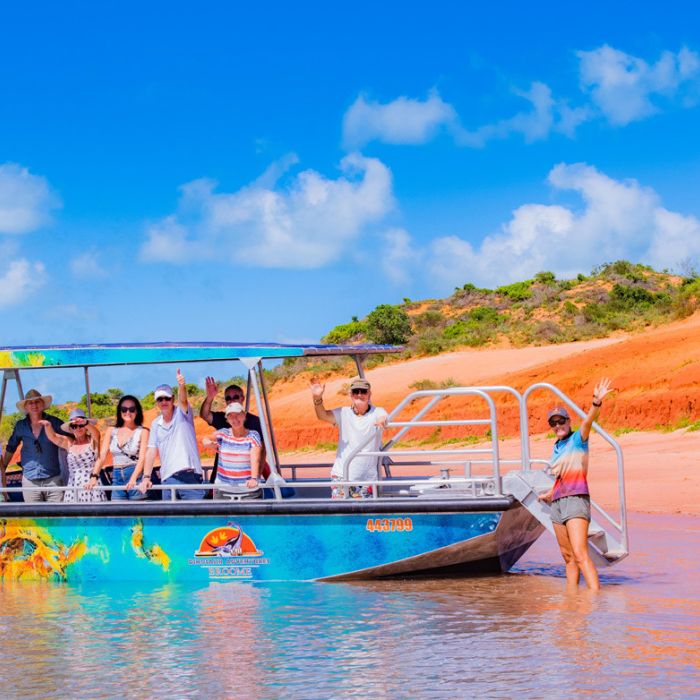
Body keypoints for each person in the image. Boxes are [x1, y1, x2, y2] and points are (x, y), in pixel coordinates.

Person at [538, 378, 613, 591]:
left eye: (561, 421)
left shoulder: (578, 440)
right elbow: (561, 477)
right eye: (553, 423)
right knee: (567, 556)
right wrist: (548, 494)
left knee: (580, 554)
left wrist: (596, 403)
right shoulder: (557, 447)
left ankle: (594, 599)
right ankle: (572, 599)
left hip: (576, 500)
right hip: (558, 503)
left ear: (569, 422)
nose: (558, 425)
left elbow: (589, 421)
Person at [309, 377, 388, 499]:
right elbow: (322, 415)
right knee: (342, 516)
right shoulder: (343, 413)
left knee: (364, 516)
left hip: (367, 480)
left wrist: (382, 420)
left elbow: (383, 417)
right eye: (356, 391)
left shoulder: (377, 411)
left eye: (363, 391)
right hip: (341, 477)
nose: (359, 395)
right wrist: (317, 398)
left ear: (369, 394)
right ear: (351, 394)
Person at [139, 369, 205, 500]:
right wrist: (146, 477)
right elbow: (151, 451)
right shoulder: (155, 424)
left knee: (195, 519)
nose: (164, 402)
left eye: (167, 398)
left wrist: (181, 386)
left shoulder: (182, 414)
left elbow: (184, 401)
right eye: (160, 399)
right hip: (168, 478)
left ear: (173, 399)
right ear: (156, 402)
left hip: (189, 477)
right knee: (171, 519)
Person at [0, 388, 68, 503]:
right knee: (35, 519)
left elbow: (71, 440)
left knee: (57, 518)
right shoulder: (20, 426)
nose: (34, 405)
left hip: (53, 479)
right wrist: (3, 468)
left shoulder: (54, 422)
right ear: (26, 407)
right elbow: (11, 447)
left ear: (42, 404)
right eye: (30, 403)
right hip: (30, 481)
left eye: (37, 401)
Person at [199, 377, 269, 482]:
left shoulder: (255, 423)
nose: (231, 400)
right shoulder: (222, 421)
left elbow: (262, 451)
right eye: (228, 398)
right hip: (223, 480)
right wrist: (210, 397)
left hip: (246, 481)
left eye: (235, 397)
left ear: (242, 398)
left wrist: (256, 477)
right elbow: (204, 415)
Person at [89, 395, 149, 500]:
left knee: (138, 515)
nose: (128, 412)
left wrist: (133, 478)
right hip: (116, 477)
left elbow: (142, 458)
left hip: (135, 474)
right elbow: (102, 456)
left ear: (137, 411)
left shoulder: (143, 431)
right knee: (118, 514)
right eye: (124, 409)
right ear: (119, 411)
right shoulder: (111, 431)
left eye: (132, 409)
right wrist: (94, 476)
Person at [41, 409, 106, 504]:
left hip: (91, 484)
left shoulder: (92, 440)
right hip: (73, 485)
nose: (78, 428)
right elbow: (53, 437)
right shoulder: (69, 442)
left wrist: (85, 422)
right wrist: (47, 425)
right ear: (71, 429)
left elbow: (96, 433)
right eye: (74, 426)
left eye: (81, 425)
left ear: (86, 427)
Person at [202, 402, 262, 498]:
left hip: (248, 491)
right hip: (223, 491)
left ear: (244, 415)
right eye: (231, 416)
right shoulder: (223, 433)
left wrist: (254, 478)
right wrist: (208, 443)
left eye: (238, 415)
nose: (235, 419)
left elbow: (255, 458)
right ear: (227, 419)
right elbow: (206, 438)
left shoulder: (253, 435)